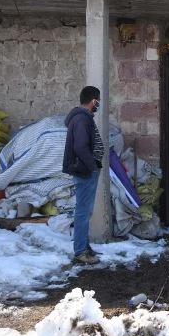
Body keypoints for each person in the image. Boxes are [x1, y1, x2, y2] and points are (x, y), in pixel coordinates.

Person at [62, 86, 105, 264]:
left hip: (86, 170)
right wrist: (92, 166)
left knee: (85, 211)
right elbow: (80, 147)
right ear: (93, 101)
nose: (98, 105)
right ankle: (80, 251)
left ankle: (84, 246)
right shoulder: (81, 119)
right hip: (85, 171)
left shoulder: (82, 118)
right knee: (83, 212)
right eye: (98, 101)